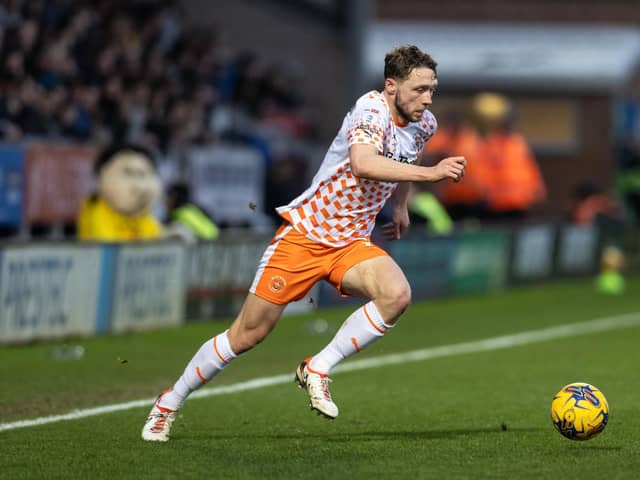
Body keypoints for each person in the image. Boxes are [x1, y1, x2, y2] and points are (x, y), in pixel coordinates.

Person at [142, 45, 467, 442]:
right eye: (419, 89)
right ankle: (167, 404)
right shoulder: (370, 111)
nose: (428, 98)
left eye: (432, 88)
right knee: (247, 335)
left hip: (350, 243)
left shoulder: (424, 123)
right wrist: (433, 175)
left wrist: (400, 206)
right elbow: (364, 162)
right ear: (390, 86)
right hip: (306, 237)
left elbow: (407, 160)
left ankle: (317, 367)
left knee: (397, 294)